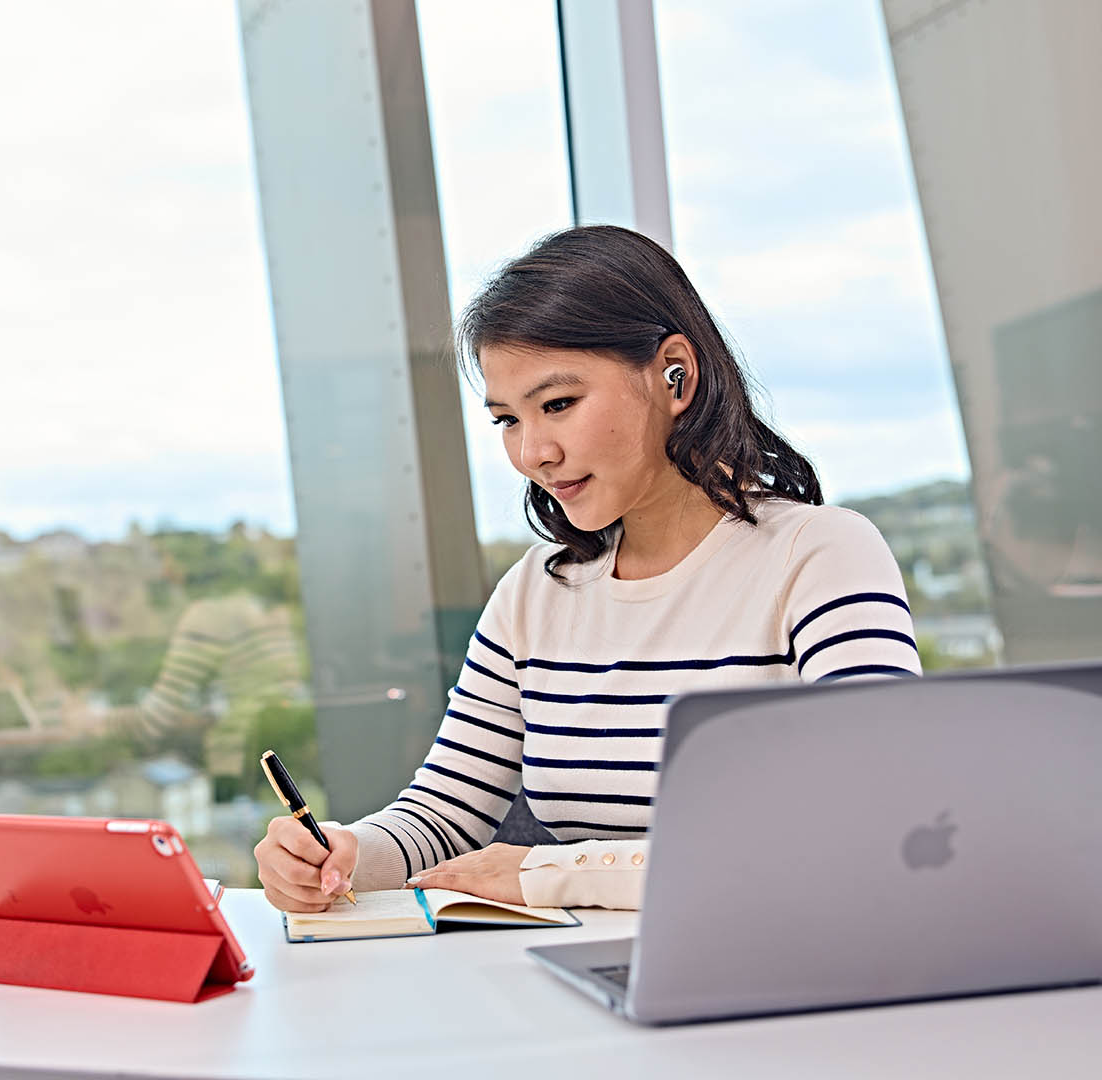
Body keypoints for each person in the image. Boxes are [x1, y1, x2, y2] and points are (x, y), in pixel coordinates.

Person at [254, 225, 921, 913]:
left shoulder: (819, 555)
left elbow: (872, 813)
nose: (532, 453)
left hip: (781, 968)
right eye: (507, 420)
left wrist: (557, 874)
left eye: (559, 405)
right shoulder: (536, 591)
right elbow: (446, 813)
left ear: (676, 375)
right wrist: (340, 855)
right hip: (576, 979)